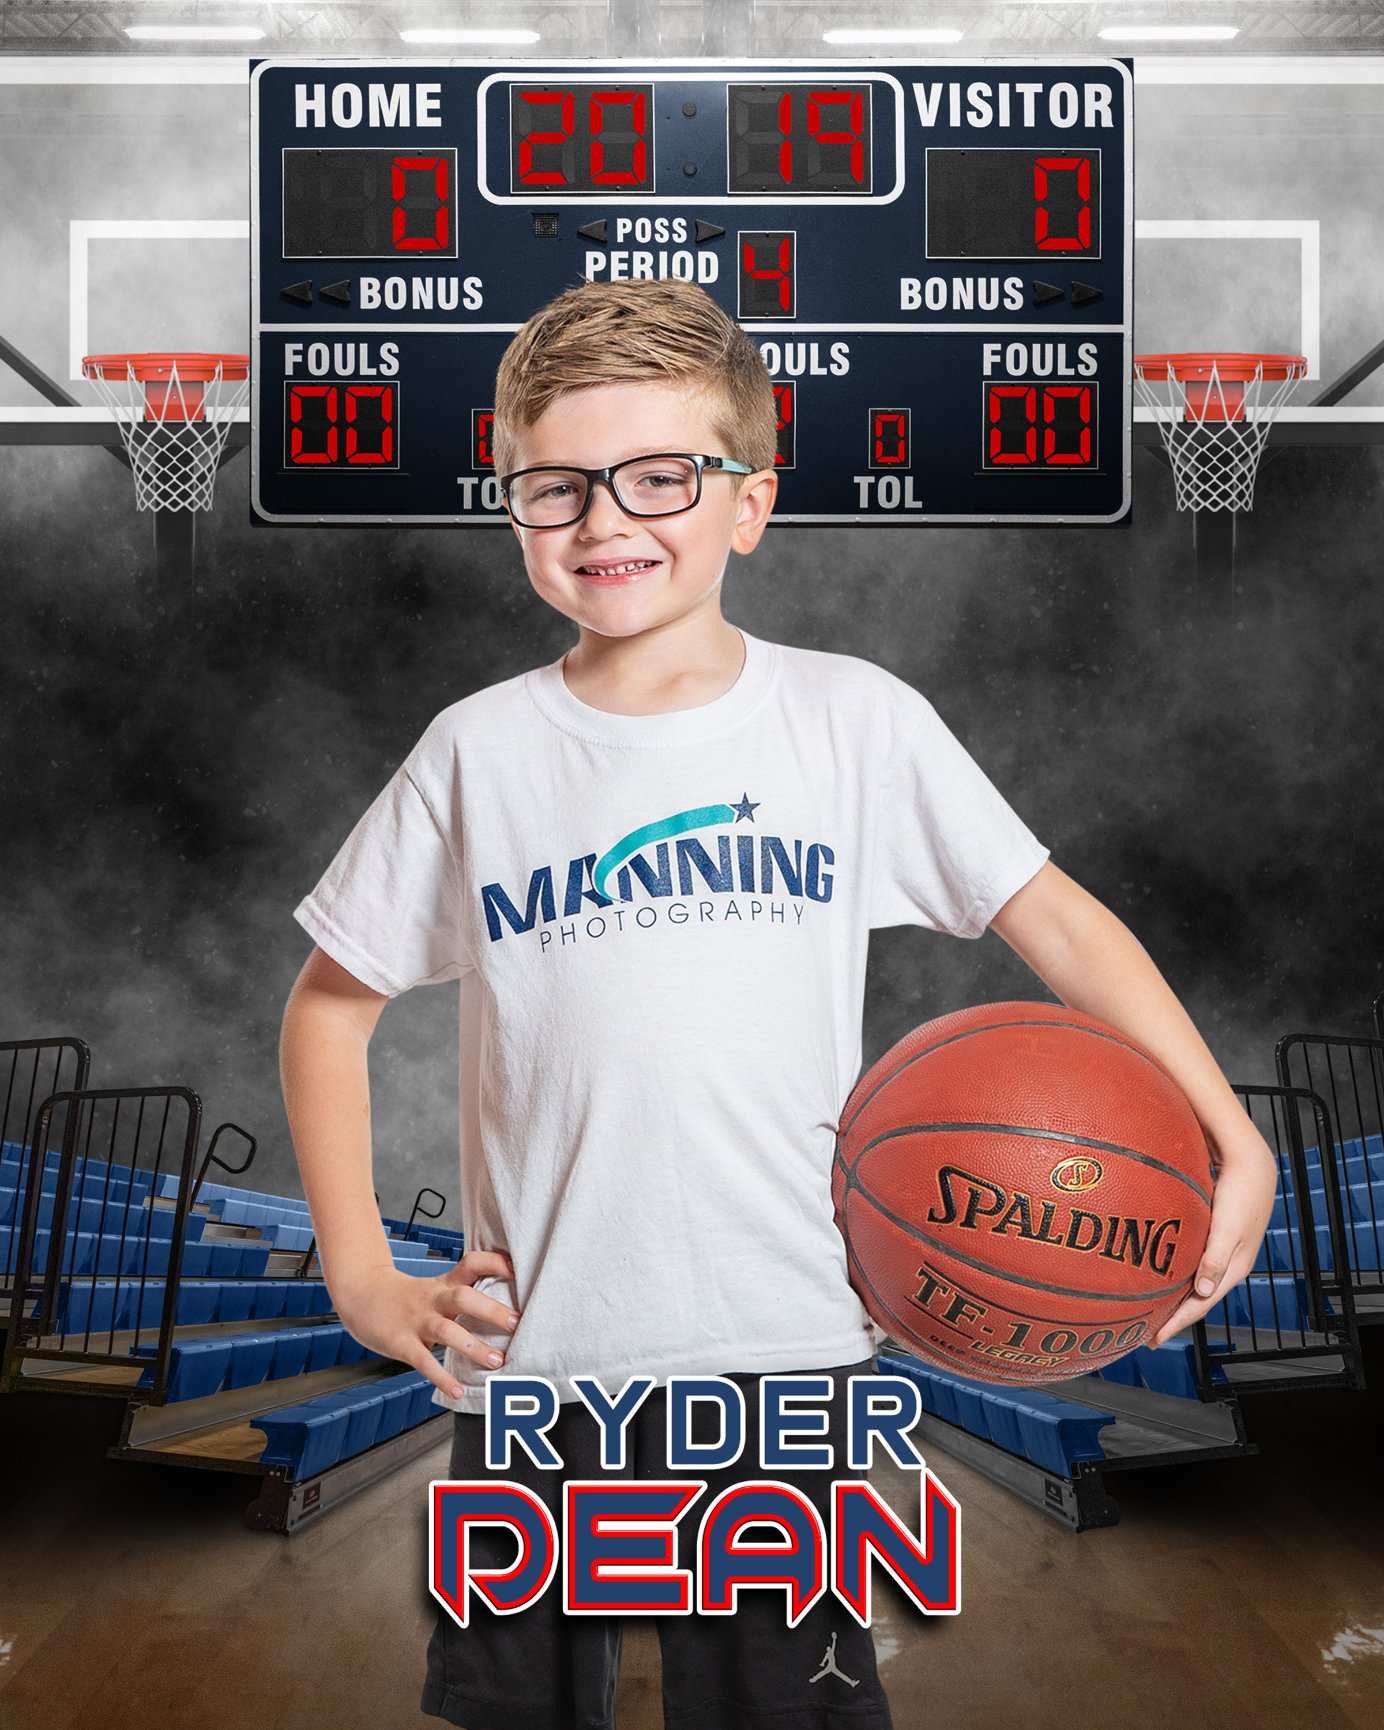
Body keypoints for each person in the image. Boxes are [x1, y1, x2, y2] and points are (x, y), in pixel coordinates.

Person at [278, 278, 1278, 1730]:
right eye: (556, 486)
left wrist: (1222, 1126)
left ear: (748, 500)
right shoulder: (478, 752)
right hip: (535, 1366)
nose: (606, 519)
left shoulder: (847, 718)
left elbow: (1053, 914)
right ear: (511, 505)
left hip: (786, 1361)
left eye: (660, 476)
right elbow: (326, 1007)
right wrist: (361, 1272)